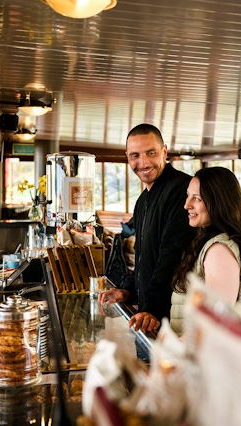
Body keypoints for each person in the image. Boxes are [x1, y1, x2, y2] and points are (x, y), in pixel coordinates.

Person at [99, 124, 196, 334]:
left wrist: (152, 308)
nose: (143, 163)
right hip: (147, 316)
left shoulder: (182, 190)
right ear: (127, 157)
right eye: (135, 155)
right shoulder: (142, 200)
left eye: (151, 153)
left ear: (164, 152)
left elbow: (171, 258)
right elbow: (144, 259)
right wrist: (127, 290)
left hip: (173, 318)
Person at [169, 167, 241, 352]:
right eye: (188, 196)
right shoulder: (217, 240)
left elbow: (216, 318)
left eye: (197, 199)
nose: (186, 205)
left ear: (218, 202)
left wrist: (174, 348)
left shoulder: (219, 249)